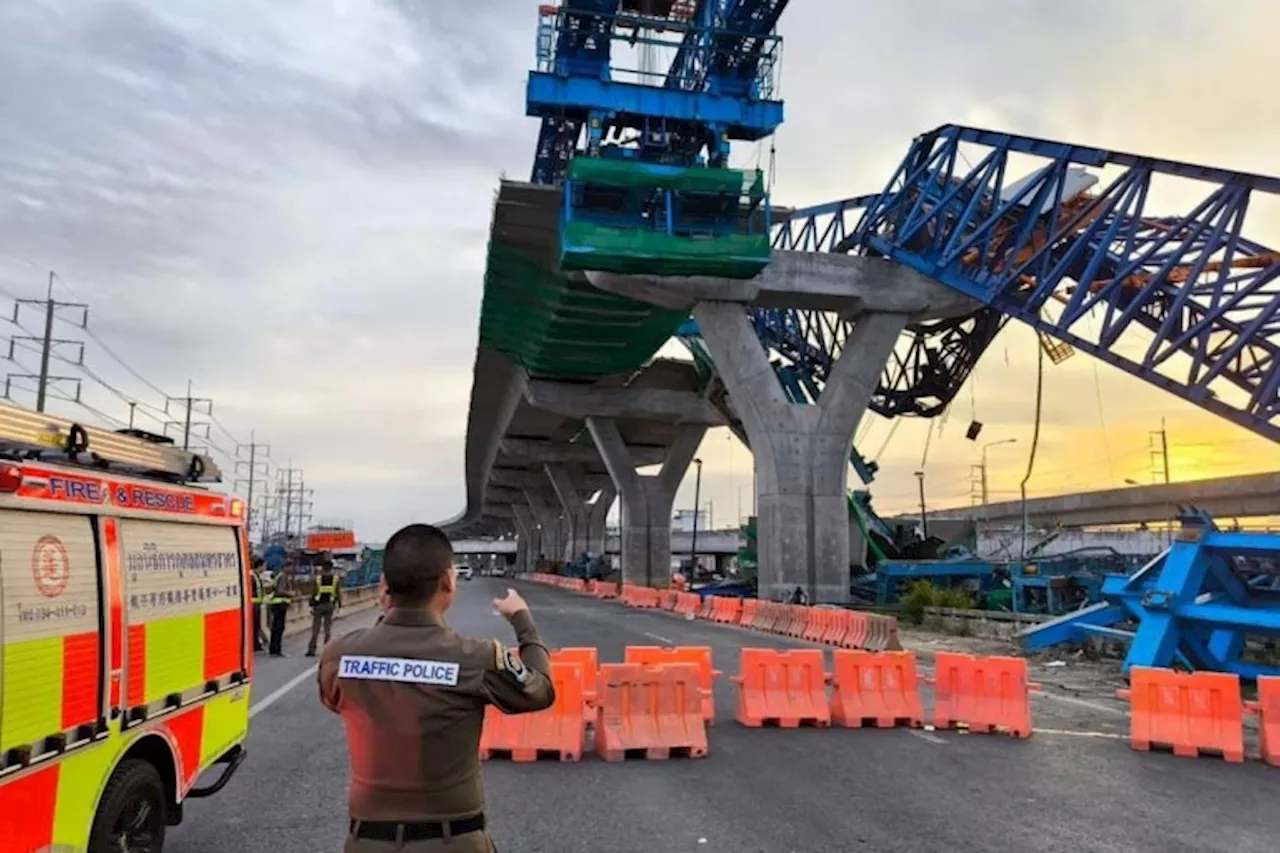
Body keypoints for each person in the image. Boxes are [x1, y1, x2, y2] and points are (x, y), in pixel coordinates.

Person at [319, 523, 555, 852]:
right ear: (447, 581)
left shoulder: (338, 655)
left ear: (384, 586)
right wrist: (522, 620)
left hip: (367, 842)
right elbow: (540, 690)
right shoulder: (477, 658)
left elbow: (336, 699)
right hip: (454, 841)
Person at [306, 558, 343, 657]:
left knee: (315, 629)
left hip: (318, 606)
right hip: (330, 606)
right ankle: (326, 651)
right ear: (331, 568)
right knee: (327, 630)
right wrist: (340, 605)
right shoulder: (335, 579)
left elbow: (313, 593)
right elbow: (338, 593)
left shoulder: (318, 578)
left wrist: (310, 605)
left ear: (323, 568)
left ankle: (311, 650)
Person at [267, 561, 296, 656]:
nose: (291, 570)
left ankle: (273, 649)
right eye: (290, 567)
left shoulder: (279, 576)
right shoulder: (283, 577)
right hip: (280, 605)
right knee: (279, 628)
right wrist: (290, 593)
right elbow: (279, 591)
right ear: (285, 567)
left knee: (276, 628)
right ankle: (277, 649)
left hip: (277, 605)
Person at [250, 557, 267, 652]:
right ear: (260, 566)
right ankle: (254, 644)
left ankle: (256, 644)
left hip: (257, 603)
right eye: (264, 566)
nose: (265, 568)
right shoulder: (252, 576)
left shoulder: (257, 576)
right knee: (254, 625)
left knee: (256, 625)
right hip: (253, 604)